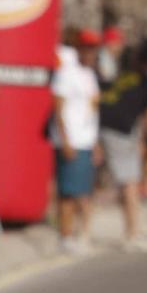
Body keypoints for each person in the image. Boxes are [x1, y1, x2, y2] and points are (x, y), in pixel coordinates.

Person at [97, 40, 147, 251]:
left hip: (102, 129)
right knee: (130, 183)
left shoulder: (120, 77)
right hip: (120, 133)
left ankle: (133, 230)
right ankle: (133, 233)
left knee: (126, 182)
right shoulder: (146, 83)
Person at [52, 29, 103, 255]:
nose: (91, 54)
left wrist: (95, 141)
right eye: (87, 48)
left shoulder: (90, 75)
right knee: (68, 193)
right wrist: (65, 140)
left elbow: (92, 110)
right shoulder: (66, 73)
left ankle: (83, 234)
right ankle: (66, 236)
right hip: (70, 141)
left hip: (86, 141)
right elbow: (58, 108)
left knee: (85, 191)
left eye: (94, 49)